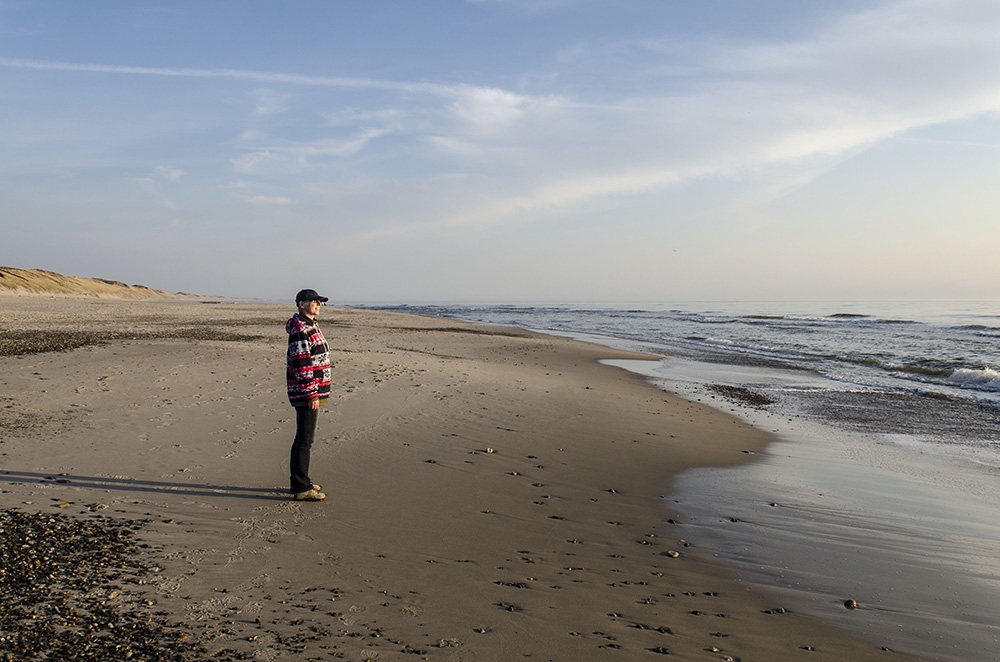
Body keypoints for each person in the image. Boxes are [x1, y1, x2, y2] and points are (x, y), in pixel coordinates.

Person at [285, 288, 332, 501]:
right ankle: (301, 487)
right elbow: (302, 363)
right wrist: (311, 393)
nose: (318, 304)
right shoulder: (300, 328)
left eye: (320, 302)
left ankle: (302, 480)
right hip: (306, 392)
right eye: (314, 301)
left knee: (305, 439)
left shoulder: (310, 325)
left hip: (312, 390)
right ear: (301, 304)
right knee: (304, 439)